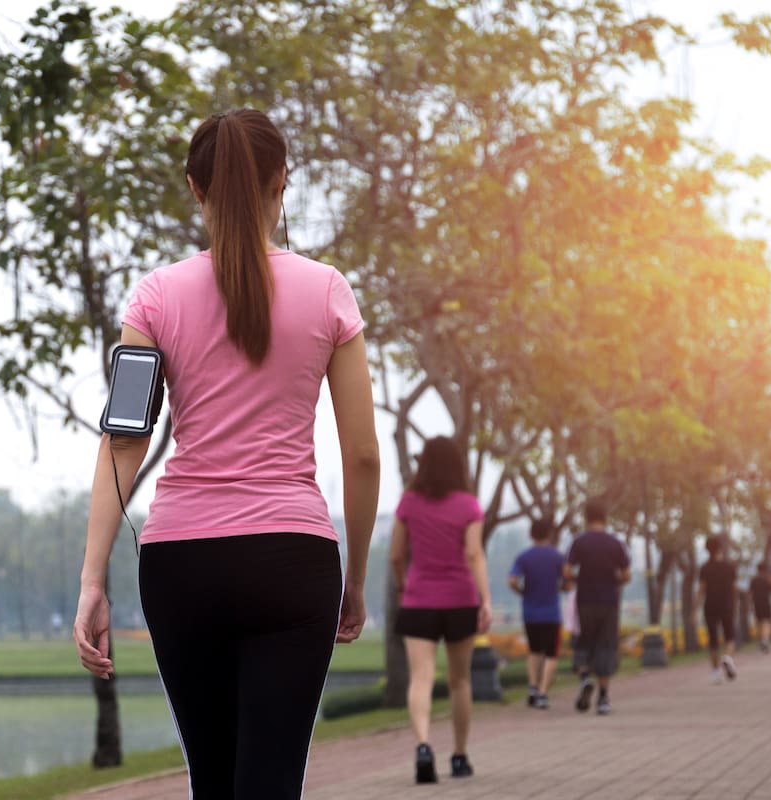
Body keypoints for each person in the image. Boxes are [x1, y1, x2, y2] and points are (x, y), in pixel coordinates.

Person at [72, 109, 380, 798]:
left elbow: (124, 440)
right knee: (270, 785)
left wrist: (94, 580)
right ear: (282, 183)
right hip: (293, 561)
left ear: (194, 187)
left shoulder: (154, 298)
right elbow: (361, 455)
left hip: (182, 564)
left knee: (211, 783)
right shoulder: (328, 290)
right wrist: (355, 575)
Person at [390, 436, 493, 783]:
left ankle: (422, 746)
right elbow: (475, 555)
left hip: (419, 599)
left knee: (421, 678)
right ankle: (460, 757)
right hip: (460, 599)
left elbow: (395, 555)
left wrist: (404, 584)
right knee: (459, 681)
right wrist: (486, 599)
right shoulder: (469, 505)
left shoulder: (408, 503)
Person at [565, 499, 631, 715]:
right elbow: (626, 574)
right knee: (606, 646)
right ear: (605, 518)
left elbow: (566, 571)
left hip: (585, 600)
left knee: (584, 642)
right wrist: (615, 581)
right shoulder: (615, 543)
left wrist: (578, 579)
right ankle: (603, 698)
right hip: (609, 602)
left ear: (586, 518)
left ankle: (585, 679)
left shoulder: (579, 542)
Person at [509, 518, 569, 709]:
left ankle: (532, 687)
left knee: (534, 651)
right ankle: (543, 693)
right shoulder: (557, 556)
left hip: (530, 612)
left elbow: (512, 580)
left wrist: (522, 591)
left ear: (531, 535)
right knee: (551, 654)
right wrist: (561, 587)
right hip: (551, 613)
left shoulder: (524, 556)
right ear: (550, 535)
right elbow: (568, 578)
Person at [697, 535, 739, 683]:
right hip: (726, 605)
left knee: (713, 640)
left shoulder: (704, 568)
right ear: (720, 548)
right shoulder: (729, 567)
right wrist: (735, 604)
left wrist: (694, 610)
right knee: (730, 637)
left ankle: (715, 673)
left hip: (710, 606)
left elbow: (701, 590)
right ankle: (727, 657)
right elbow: (734, 589)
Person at [749, 562, 771, 653]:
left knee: (759, 623)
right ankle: (765, 639)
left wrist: (750, 605)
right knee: (767, 622)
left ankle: (761, 641)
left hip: (756, 604)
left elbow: (751, 594)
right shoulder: (768, 579)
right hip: (766, 603)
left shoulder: (754, 580)